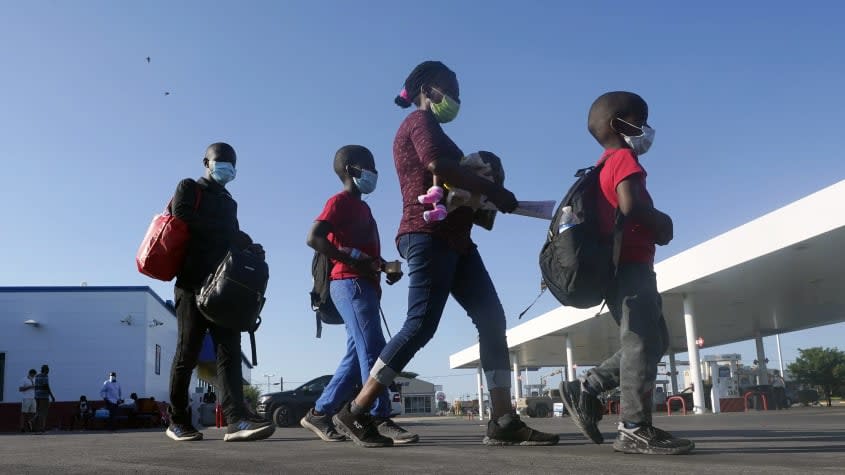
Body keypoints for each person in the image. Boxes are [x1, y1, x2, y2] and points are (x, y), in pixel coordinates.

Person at [332, 61, 559, 447]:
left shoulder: (436, 130)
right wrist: (499, 194)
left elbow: (453, 180)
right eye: (450, 89)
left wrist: (487, 193)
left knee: (492, 320)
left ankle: (504, 419)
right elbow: (438, 166)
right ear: (427, 88)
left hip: (457, 240)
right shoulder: (419, 124)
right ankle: (353, 412)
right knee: (421, 325)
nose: (456, 98)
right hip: (426, 234)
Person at [559, 91, 694, 455]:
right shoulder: (622, 158)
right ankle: (634, 427)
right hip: (630, 265)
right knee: (640, 342)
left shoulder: (604, 164)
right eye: (641, 120)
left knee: (653, 341)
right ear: (621, 124)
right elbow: (631, 205)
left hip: (622, 266)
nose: (646, 129)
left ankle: (589, 385)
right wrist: (663, 224)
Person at [301, 145, 417, 446]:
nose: (375, 173)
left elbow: (362, 254)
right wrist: (352, 261)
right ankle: (375, 417)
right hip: (348, 284)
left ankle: (319, 412)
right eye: (370, 166)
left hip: (364, 284)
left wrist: (383, 268)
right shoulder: (340, 201)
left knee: (355, 357)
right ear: (352, 169)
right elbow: (313, 237)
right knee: (375, 351)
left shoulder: (364, 208)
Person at [166, 142, 275, 442]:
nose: (226, 168)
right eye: (221, 162)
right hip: (190, 285)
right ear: (206, 162)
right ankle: (177, 420)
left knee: (229, 352)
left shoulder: (229, 202)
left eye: (231, 164)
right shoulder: (189, 188)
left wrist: (248, 245)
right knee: (187, 354)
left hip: (222, 288)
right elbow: (183, 217)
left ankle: (236, 420)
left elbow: (231, 237)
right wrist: (229, 235)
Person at [33, 364, 56, 433]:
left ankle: (35, 427)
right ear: (45, 370)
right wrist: (52, 396)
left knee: (38, 412)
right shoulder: (45, 376)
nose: (48, 371)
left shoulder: (37, 376)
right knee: (43, 413)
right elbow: (46, 386)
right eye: (48, 369)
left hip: (37, 396)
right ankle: (41, 428)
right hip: (44, 396)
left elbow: (36, 386)